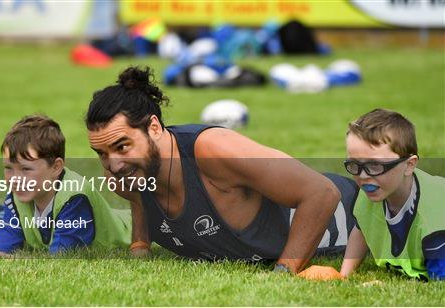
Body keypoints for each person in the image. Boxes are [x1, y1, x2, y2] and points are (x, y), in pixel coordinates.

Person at [85, 66, 359, 273]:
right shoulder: (122, 176)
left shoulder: (212, 150)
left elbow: (321, 193)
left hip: (352, 217)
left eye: (122, 147)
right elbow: (140, 202)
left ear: (154, 128)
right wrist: (140, 247)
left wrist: (283, 273)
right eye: (101, 153)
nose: (113, 164)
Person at [300, 109, 444, 281]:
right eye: (354, 164)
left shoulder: (435, 220)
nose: (362, 176)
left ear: (409, 165)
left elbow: (439, 286)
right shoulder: (373, 187)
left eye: (375, 165)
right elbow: (362, 227)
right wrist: (344, 274)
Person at [0, 115, 131, 258]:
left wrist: (7, 259)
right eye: (8, 168)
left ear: (56, 167)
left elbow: (60, 256)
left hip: (133, 226)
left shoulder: (74, 198)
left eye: (26, 169)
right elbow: (7, 239)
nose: (15, 179)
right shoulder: (18, 195)